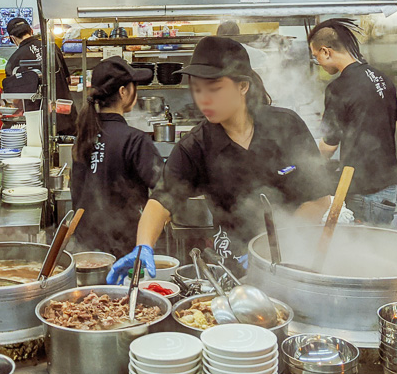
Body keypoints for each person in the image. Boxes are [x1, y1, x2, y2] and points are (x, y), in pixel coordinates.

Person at [107, 36, 330, 284]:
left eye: (214, 89)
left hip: (295, 260)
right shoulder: (196, 146)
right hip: (233, 269)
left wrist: (275, 245)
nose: (204, 100)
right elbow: (161, 202)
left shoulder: (287, 126)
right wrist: (143, 246)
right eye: (198, 89)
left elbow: (319, 198)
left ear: (243, 86)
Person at [307, 18, 397, 223]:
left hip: (363, 187)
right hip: (389, 184)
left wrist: (309, 167)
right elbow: (395, 125)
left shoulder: (338, 88)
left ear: (326, 51)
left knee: (362, 250)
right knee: (378, 249)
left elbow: (329, 145)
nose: (319, 63)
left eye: (316, 57)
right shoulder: (382, 78)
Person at [70, 57, 164, 254]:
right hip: (125, 250)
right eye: (134, 86)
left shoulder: (83, 137)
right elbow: (166, 191)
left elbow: (77, 192)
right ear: (123, 92)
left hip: (85, 250)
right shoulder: (135, 140)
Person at [5, 17, 77, 135]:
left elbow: (15, 100)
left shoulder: (14, 61)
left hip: (38, 123)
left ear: (12, 38)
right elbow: (67, 79)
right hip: (66, 116)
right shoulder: (52, 48)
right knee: (67, 151)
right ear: (31, 31)